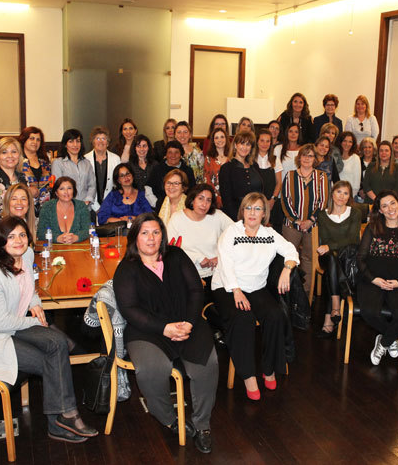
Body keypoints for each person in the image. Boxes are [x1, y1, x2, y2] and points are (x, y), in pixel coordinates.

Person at [0, 216, 98, 443]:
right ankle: (64, 418)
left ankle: (62, 418)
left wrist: (35, 303)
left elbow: (30, 287)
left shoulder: (25, 257)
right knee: (52, 359)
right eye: (11, 237)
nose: (18, 241)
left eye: (22, 235)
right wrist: (34, 321)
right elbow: (1, 323)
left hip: (11, 328)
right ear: (1, 242)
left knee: (57, 342)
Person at [113, 212, 218, 453]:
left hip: (187, 323)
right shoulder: (127, 269)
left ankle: (202, 425)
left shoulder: (176, 256)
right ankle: (170, 420)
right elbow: (129, 310)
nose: (151, 238)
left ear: (163, 236)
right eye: (144, 233)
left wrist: (189, 323)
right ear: (135, 237)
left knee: (208, 364)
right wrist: (164, 328)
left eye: (156, 232)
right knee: (151, 370)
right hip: (148, 330)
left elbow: (196, 291)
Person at [212, 193, 298, 400]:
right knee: (244, 319)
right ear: (242, 211)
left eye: (258, 208)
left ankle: (269, 368)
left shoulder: (269, 234)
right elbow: (225, 265)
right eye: (248, 208)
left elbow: (291, 250)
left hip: (256, 287)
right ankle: (248, 376)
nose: (252, 212)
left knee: (275, 315)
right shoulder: (231, 232)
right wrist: (236, 290)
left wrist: (287, 269)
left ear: (264, 213)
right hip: (226, 286)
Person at [357, 190, 398, 365]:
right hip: (373, 280)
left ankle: (384, 341)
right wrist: (373, 279)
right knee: (369, 312)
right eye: (384, 206)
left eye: (392, 203)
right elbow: (360, 259)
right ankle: (391, 338)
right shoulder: (372, 228)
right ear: (380, 210)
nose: (390, 208)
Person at [281, 144, 330, 300]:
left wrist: (310, 221)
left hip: (313, 226)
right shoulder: (290, 175)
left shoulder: (321, 177)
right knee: (289, 257)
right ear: (299, 157)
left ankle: (305, 295)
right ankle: (288, 294)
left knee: (309, 259)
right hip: (291, 225)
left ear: (315, 159)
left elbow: (323, 202)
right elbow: (285, 200)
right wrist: (297, 221)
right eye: (304, 155)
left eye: (310, 155)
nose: (307, 158)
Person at [314, 181, 363, 338]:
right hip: (328, 258)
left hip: (348, 259)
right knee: (332, 259)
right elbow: (325, 239)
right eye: (339, 192)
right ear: (332, 194)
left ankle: (330, 318)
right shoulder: (322, 215)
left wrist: (331, 246)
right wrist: (330, 247)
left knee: (331, 271)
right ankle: (337, 304)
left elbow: (353, 239)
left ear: (349, 197)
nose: (342, 196)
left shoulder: (355, 213)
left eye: (346, 193)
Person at [167, 184, 234, 293]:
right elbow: (170, 249)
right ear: (192, 200)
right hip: (188, 274)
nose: (204, 204)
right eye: (200, 198)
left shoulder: (217, 216)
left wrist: (220, 257)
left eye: (208, 200)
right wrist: (197, 258)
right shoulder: (177, 218)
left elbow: (237, 235)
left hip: (216, 274)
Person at [219, 131, 264, 221]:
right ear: (235, 145)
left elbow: (261, 193)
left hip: (257, 216)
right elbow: (227, 200)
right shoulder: (226, 168)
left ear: (251, 148)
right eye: (242, 143)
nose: (245, 147)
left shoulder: (255, 166)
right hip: (236, 218)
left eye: (248, 144)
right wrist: (239, 220)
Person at [36, 176, 90, 243]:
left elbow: (88, 230)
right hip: (53, 248)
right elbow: (41, 233)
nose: (66, 192)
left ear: (73, 191)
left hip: (77, 248)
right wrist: (57, 238)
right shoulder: (47, 207)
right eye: (62, 189)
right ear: (56, 193)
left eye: (69, 188)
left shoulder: (81, 206)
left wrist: (76, 237)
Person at [51, 129, 96, 206]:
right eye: (71, 141)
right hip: (66, 206)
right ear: (65, 144)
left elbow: (92, 185)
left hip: (85, 206)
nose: (75, 145)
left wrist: (87, 200)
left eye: (78, 141)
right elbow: (58, 187)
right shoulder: (58, 163)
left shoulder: (86, 163)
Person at [147, 140, 195, 210]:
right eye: (170, 152)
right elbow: (148, 188)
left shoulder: (188, 171)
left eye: (176, 152)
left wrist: (187, 205)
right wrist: (156, 204)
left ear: (181, 154)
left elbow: (192, 191)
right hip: (161, 208)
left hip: (183, 209)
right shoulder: (157, 169)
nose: (173, 155)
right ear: (165, 154)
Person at [85, 126, 121, 213]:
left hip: (111, 205)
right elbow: (84, 185)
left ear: (108, 143)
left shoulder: (116, 159)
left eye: (104, 139)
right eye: (97, 138)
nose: (100, 141)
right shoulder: (85, 159)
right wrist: (97, 208)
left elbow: (118, 183)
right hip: (90, 206)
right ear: (93, 142)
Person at [18, 126, 51, 215]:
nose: (35, 142)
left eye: (38, 140)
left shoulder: (45, 162)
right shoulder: (17, 162)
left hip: (45, 210)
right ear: (24, 140)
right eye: (31, 138)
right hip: (24, 209)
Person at [254, 128, 283, 212]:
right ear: (257, 142)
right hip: (254, 202)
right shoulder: (251, 159)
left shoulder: (275, 159)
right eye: (262, 141)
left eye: (268, 141)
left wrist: (273, 199)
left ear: (271, 143)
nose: (265, 144)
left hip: (271, 202)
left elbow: (279, 182)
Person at [203, 128, 230, 207]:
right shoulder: (209, 159)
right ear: (213, 141)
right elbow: (207, 180)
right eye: (216, 138)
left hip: (231, 199)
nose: (219, 140)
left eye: (222, 137)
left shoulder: (232, 157)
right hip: (214, 199)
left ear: (226, 139)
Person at [338, 131, 361, 198]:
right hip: (335, 194)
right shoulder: (335, 157)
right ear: (340, 142)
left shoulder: (355, 158)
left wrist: (350, 197)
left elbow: (356, 183)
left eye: (350, 142)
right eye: (344, 141)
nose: (347, 144)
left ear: (353, 144)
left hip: (349, 196)